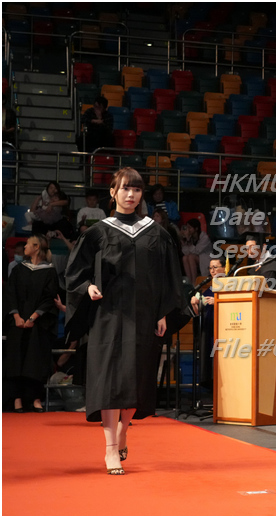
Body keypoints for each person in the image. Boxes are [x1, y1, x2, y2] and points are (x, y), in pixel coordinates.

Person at [65, 167, 184, 475]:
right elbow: (75, 272)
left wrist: (162, 311)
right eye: (125, 189)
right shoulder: (98, 232)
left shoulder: (155, 232)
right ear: (113, 192)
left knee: (136, 378)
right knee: (109, 381)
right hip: (108, 315)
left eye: (137, 189)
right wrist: (87, 287)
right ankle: (110, 449)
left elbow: (168, 277)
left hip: (143, 315)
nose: (131, 195)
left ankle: (123, 430)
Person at [5, 234, 59, 412]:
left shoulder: (49, 271)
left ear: (36, 247)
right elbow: (10, 293)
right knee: (16, 360)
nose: (24, 247)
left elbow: (49, 298)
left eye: (28, 244)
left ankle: (35, 398)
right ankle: (17, 398)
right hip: (17, 322)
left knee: (36, 360)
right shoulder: (18, 269)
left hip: (38, 324)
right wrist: (16, 316)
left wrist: (33, 317)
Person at [190, 257, 226, 388]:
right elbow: (199, 312)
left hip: (224, 331)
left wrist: (218, 302)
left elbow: (236, 306)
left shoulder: (230, 286)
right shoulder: (210, 288)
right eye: (210, 268)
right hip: (209, 330)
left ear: (224, 268)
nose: (212, 270)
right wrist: (195, 303)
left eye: (215, 267)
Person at [181, 218, 212, 284]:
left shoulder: (204, 237)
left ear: (196, 228)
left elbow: (197, 251)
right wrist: (186, 241)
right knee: (185, 258)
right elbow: (185, 252)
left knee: (191, 257)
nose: (188, 230)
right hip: (195, 258)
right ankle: (190, 281)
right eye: (187, 228)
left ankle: (195, 281)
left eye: (190, 228)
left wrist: (189, 241)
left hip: (205, 259)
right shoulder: (190, 237)